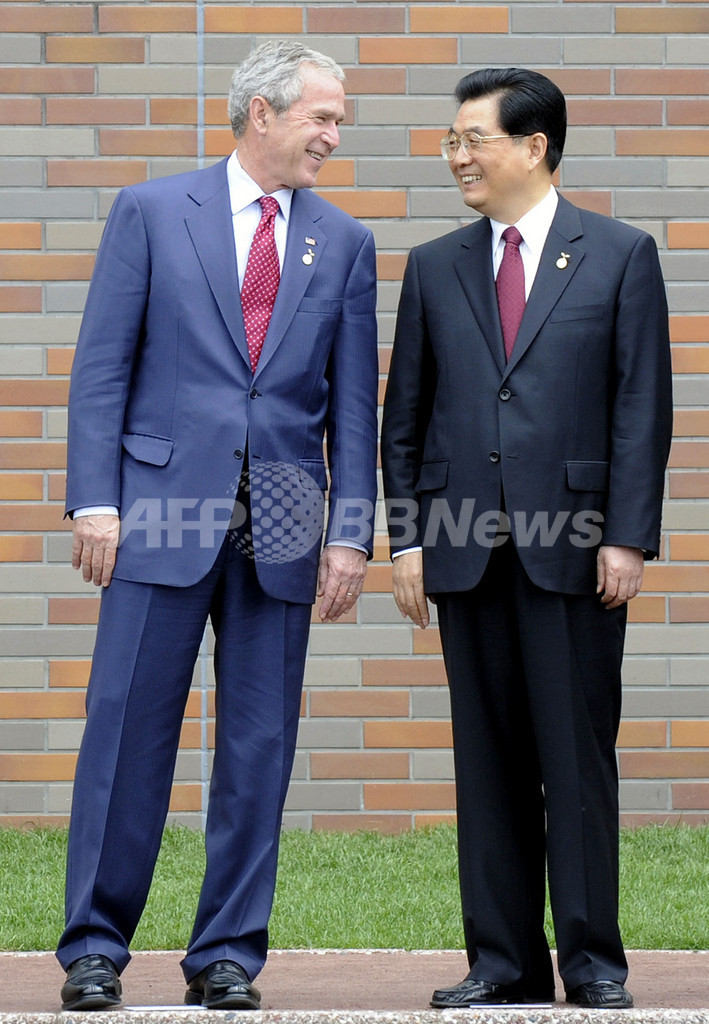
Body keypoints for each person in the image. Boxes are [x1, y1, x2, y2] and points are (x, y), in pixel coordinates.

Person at [56, 40, 378, 1012]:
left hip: (283, 523)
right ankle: (94, 949)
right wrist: (95, 499)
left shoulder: (344, 242)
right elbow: (101, 367)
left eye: (338, 120)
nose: (334, 136)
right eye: (322, 117)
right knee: (125, 732)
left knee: (257, 744)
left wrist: (349, 533)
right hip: (156, 511)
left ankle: (227, 953)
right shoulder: (153, 211)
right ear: (261, 113)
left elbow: (351, 406)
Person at [381, 67, 672, 1010]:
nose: (455, 156)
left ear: (534, 146)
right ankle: (500, 961)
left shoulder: (619, 255)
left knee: (575, 762)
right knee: (488, 763)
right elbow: (405, 419)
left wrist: (626, 537)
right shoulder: (434, 266)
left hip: (576, 550)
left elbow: (640, 409)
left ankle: (591, 963)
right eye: (451, 141)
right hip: (463, 548)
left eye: (472, 139)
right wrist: (406, 542)